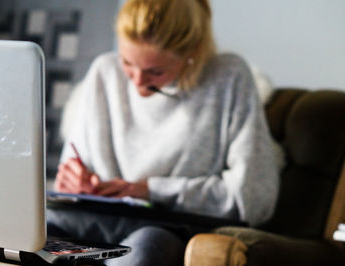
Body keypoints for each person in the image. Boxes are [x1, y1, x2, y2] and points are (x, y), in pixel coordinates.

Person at [48, 0, 281, 265]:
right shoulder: (104, 71)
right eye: (127, 62)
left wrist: (149, 190)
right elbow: (70, 177)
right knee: (31, 235)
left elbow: (252, 199)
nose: (136, 81)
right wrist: (72, 182)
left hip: (166, 227)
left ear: (191, 54)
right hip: (92, 221)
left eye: (155, 71)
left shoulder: (229, 77)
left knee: (147, 248)